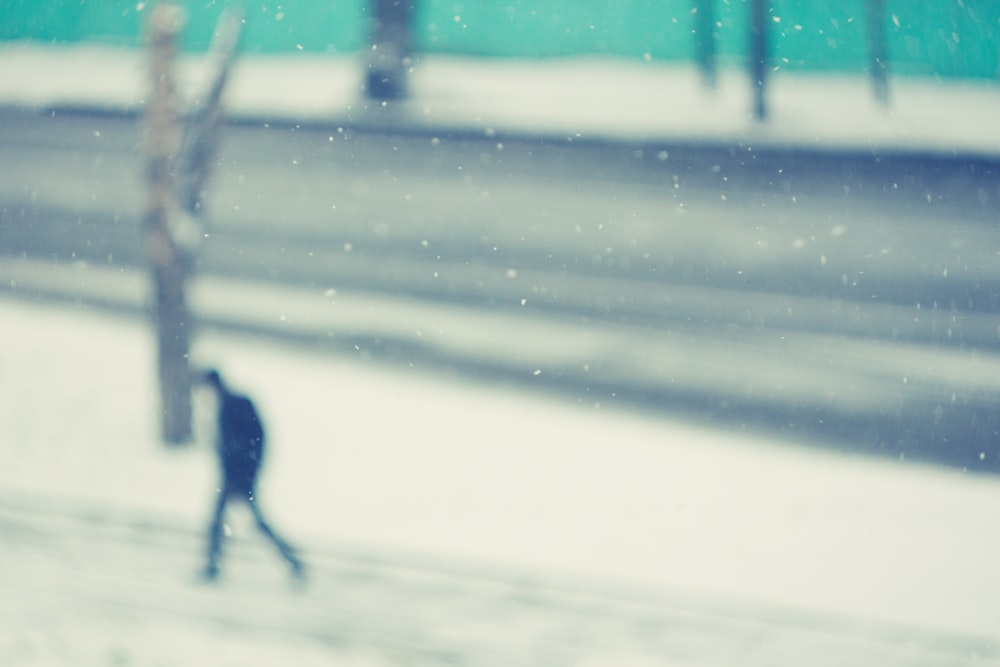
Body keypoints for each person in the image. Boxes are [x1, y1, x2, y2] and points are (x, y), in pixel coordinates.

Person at [199, 368, 304, 581]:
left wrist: (242, 474)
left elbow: (249, 442)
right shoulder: (231, 405)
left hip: (237, 476)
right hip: (236, 475)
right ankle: (291, 561)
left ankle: (291, 561)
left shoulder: (234, 406)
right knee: (238, 522)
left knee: (229, 521)